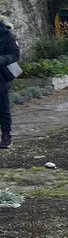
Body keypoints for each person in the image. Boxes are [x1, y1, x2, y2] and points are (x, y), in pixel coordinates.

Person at [0, 16, 21, 149]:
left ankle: (6, 136)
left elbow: (14, 54)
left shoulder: (6, 34)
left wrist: (2, 59)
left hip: (1, 76)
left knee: (3, 108)